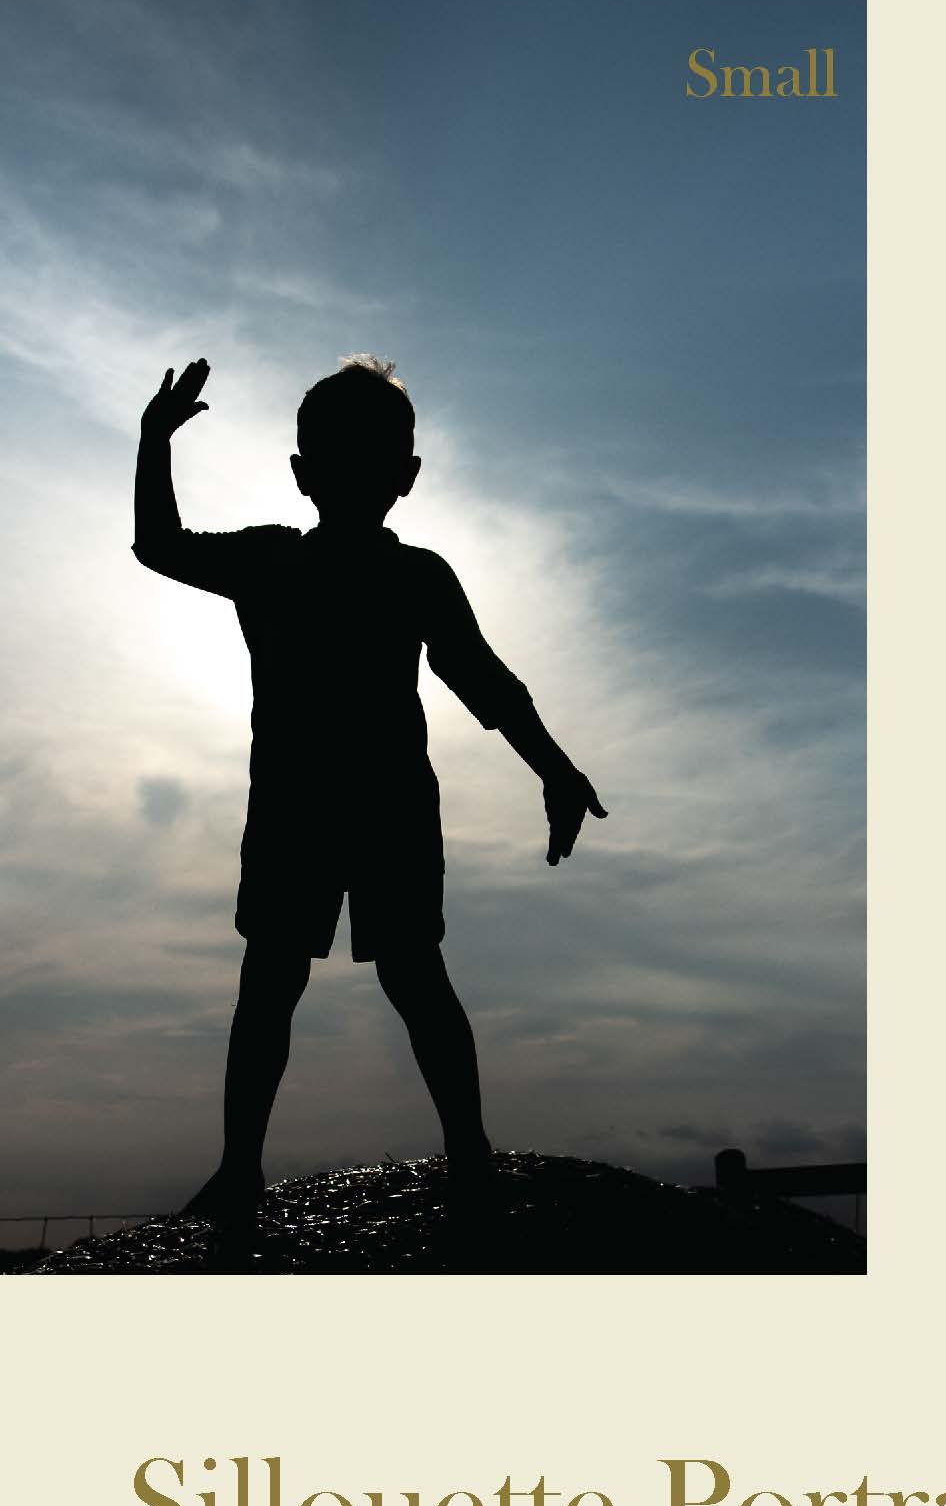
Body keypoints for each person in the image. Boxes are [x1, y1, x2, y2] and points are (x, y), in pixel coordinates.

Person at [133, 354, 605, 1226]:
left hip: (354, 810)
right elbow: (159, 547)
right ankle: (260, 1166)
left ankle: (453, 1155)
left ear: (404, 476)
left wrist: (557, 770)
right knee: (314, 980)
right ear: (315, 474)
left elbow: (484, 682)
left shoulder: (388, 574)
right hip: (316, 810)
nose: (357, 473)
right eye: (346, 454)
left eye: (370, 454)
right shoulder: (295, 563)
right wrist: (152, 442)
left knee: (375, 977)